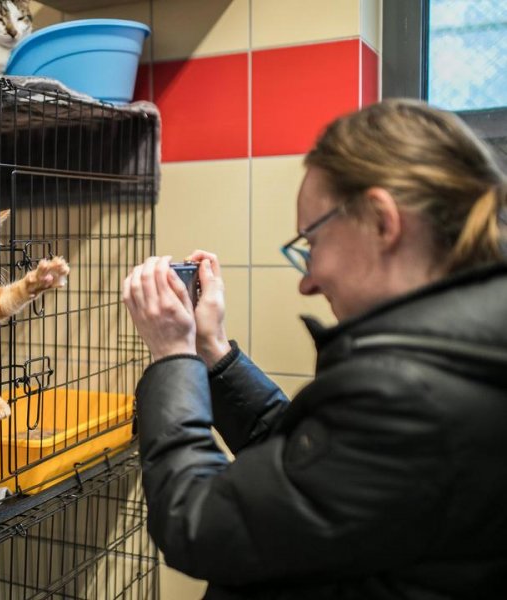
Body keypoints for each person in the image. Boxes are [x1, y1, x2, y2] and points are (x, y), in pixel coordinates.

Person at [123, 99, 507, 598]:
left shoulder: (412, 395)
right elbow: (312, 474)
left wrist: (172, 356)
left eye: (312, 243)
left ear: (381, 221)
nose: (308, 281)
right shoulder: (460, 356)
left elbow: (193, 522)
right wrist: (211, 352)